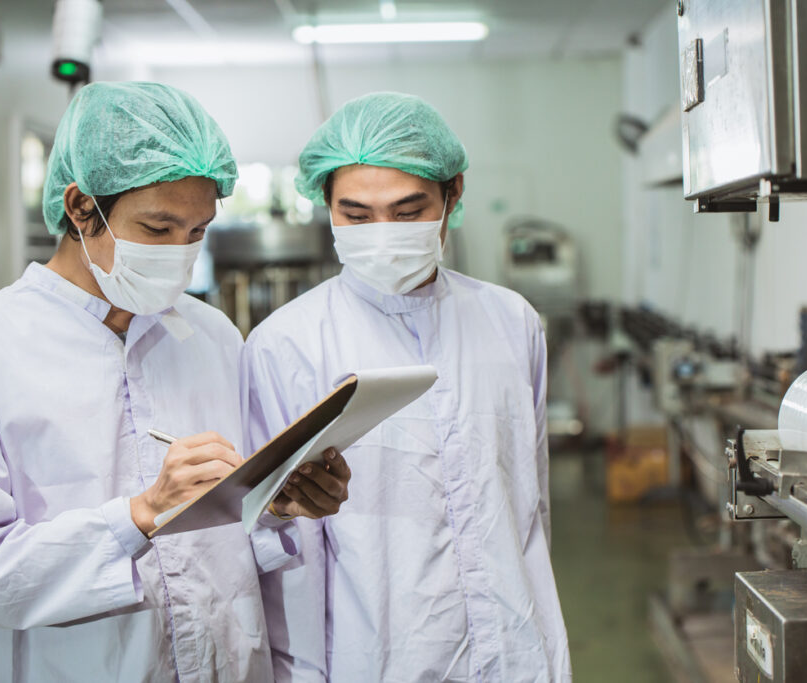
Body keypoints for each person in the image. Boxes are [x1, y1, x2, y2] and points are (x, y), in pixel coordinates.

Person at [0, 81, 350, 683]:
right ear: (80, 207)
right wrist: (139, 515)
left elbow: (234, 527)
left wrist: (277, 502)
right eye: (157, 228)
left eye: (196, 232)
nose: (179, 252)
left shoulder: (213, 337)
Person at [244, 92, 571, 682]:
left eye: (407, 211)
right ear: (327, 207)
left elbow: (531, 502)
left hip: (515, 649)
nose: (383, 235)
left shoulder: (510, 321)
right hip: (376, 658)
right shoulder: (285, 344)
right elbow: (274, 539)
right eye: (357, 216)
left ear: (453, 194)